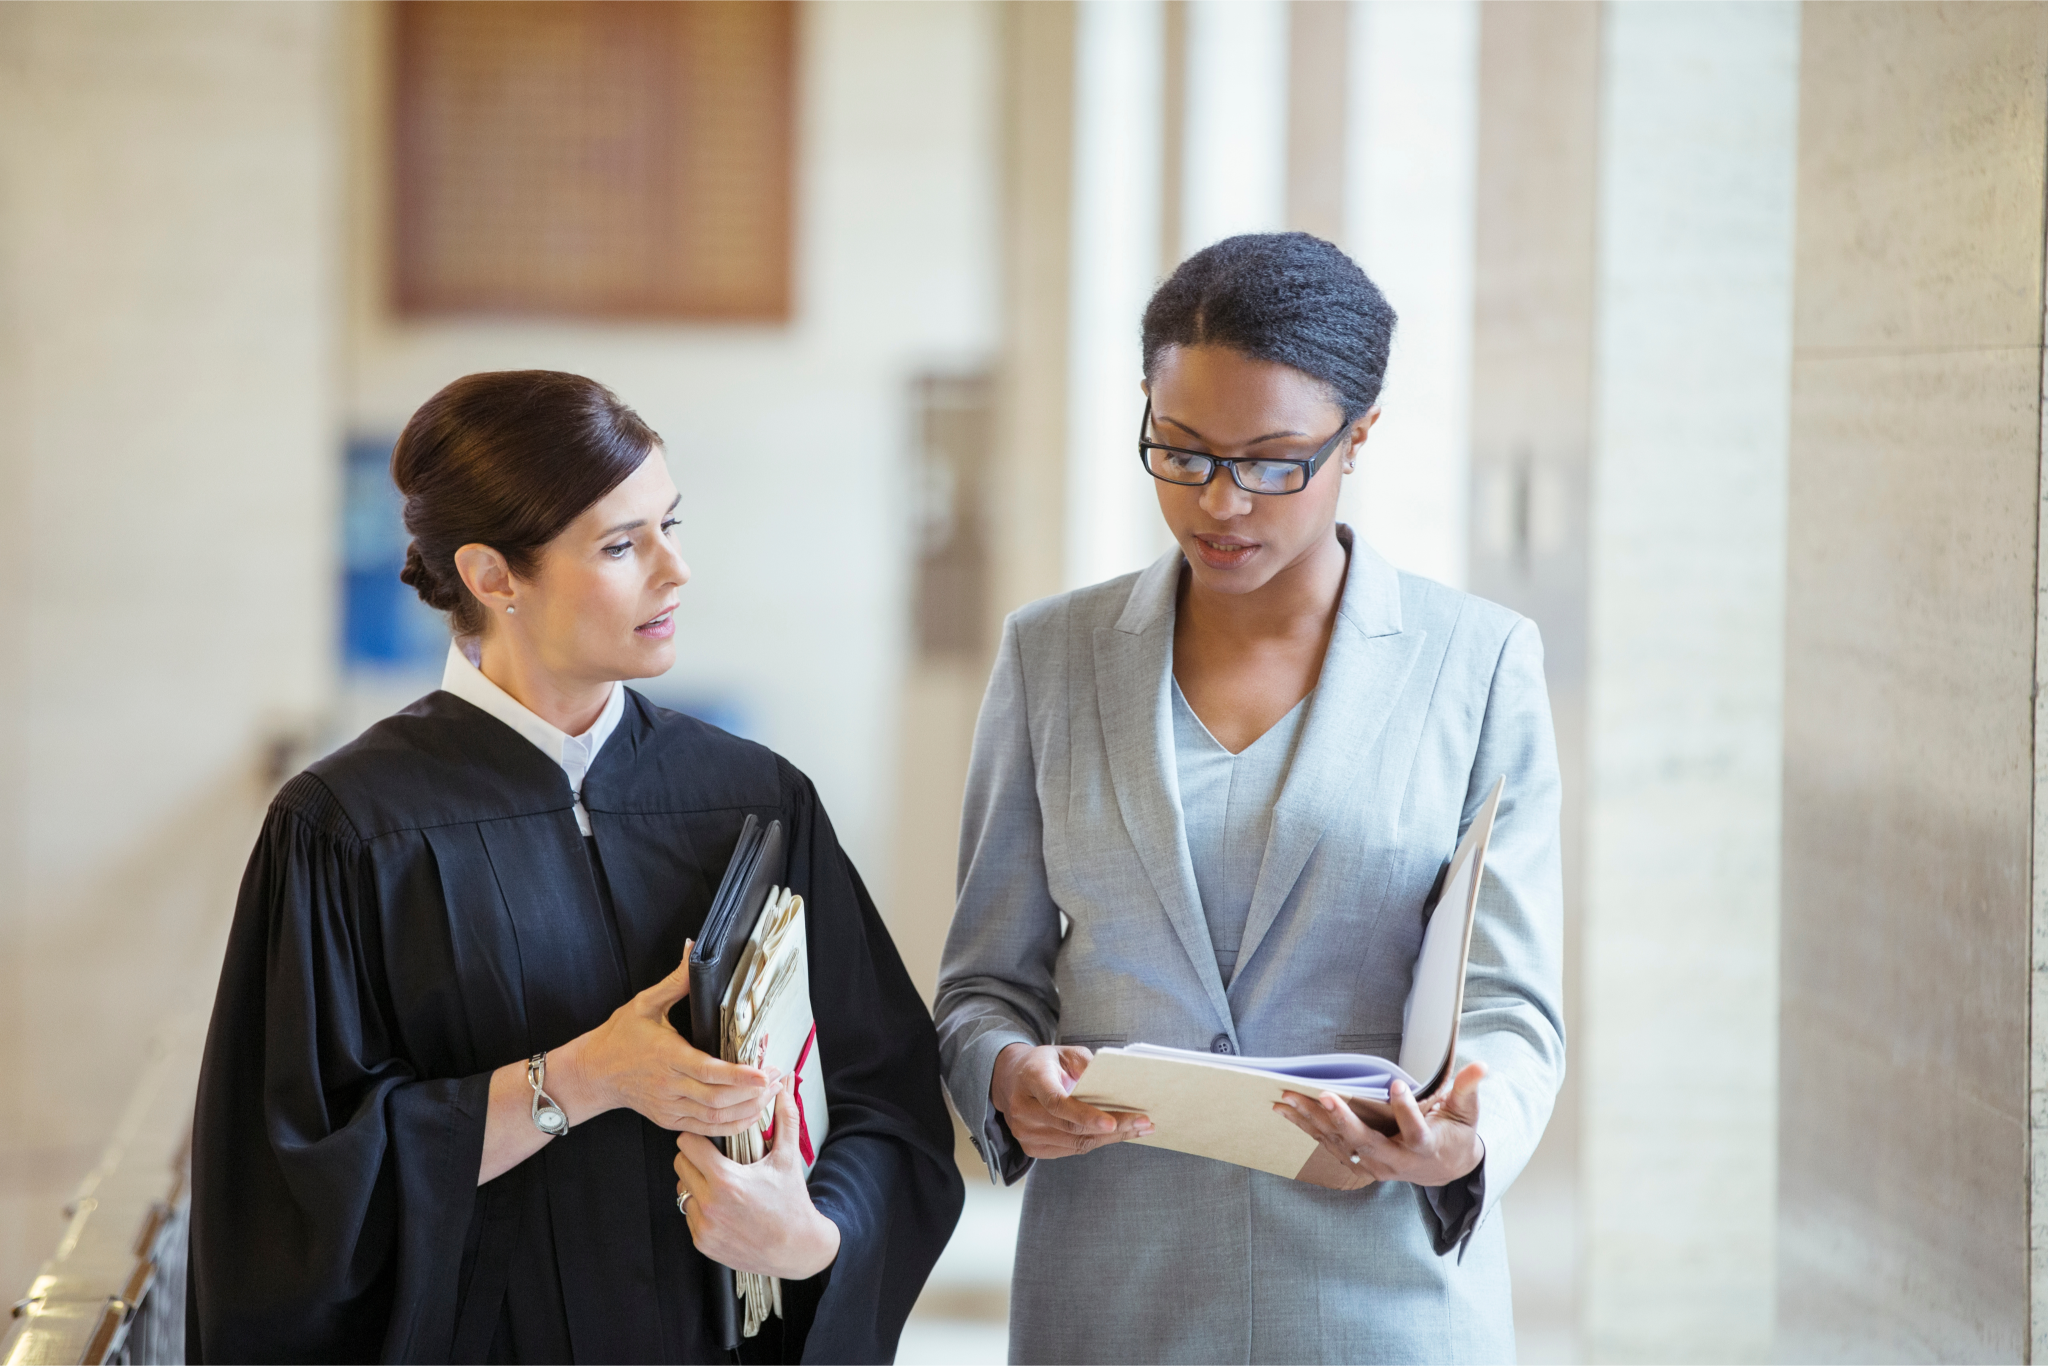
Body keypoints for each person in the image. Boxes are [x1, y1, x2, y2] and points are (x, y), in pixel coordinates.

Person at [188, 371, 962, 1365]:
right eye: (620, 545)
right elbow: (289, 1186)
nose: (675, 570)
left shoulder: (754, 800)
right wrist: (580, 1078)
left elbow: (884, 1100)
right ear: (491, 575)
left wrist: (812, 1236)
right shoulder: (347, 831)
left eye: (669, 525)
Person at [936, 233, 1564, 1363]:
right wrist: (1001, 1074)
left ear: (1356, 437)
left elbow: (1512, 1005)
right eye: (1180, 451)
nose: (1219, 502)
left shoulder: (1474, 664)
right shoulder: (1051, 656)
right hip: (1113, 1289)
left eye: (1273, 463)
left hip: (1379, 1292)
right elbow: (985, 984)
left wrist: (1468, 1141)